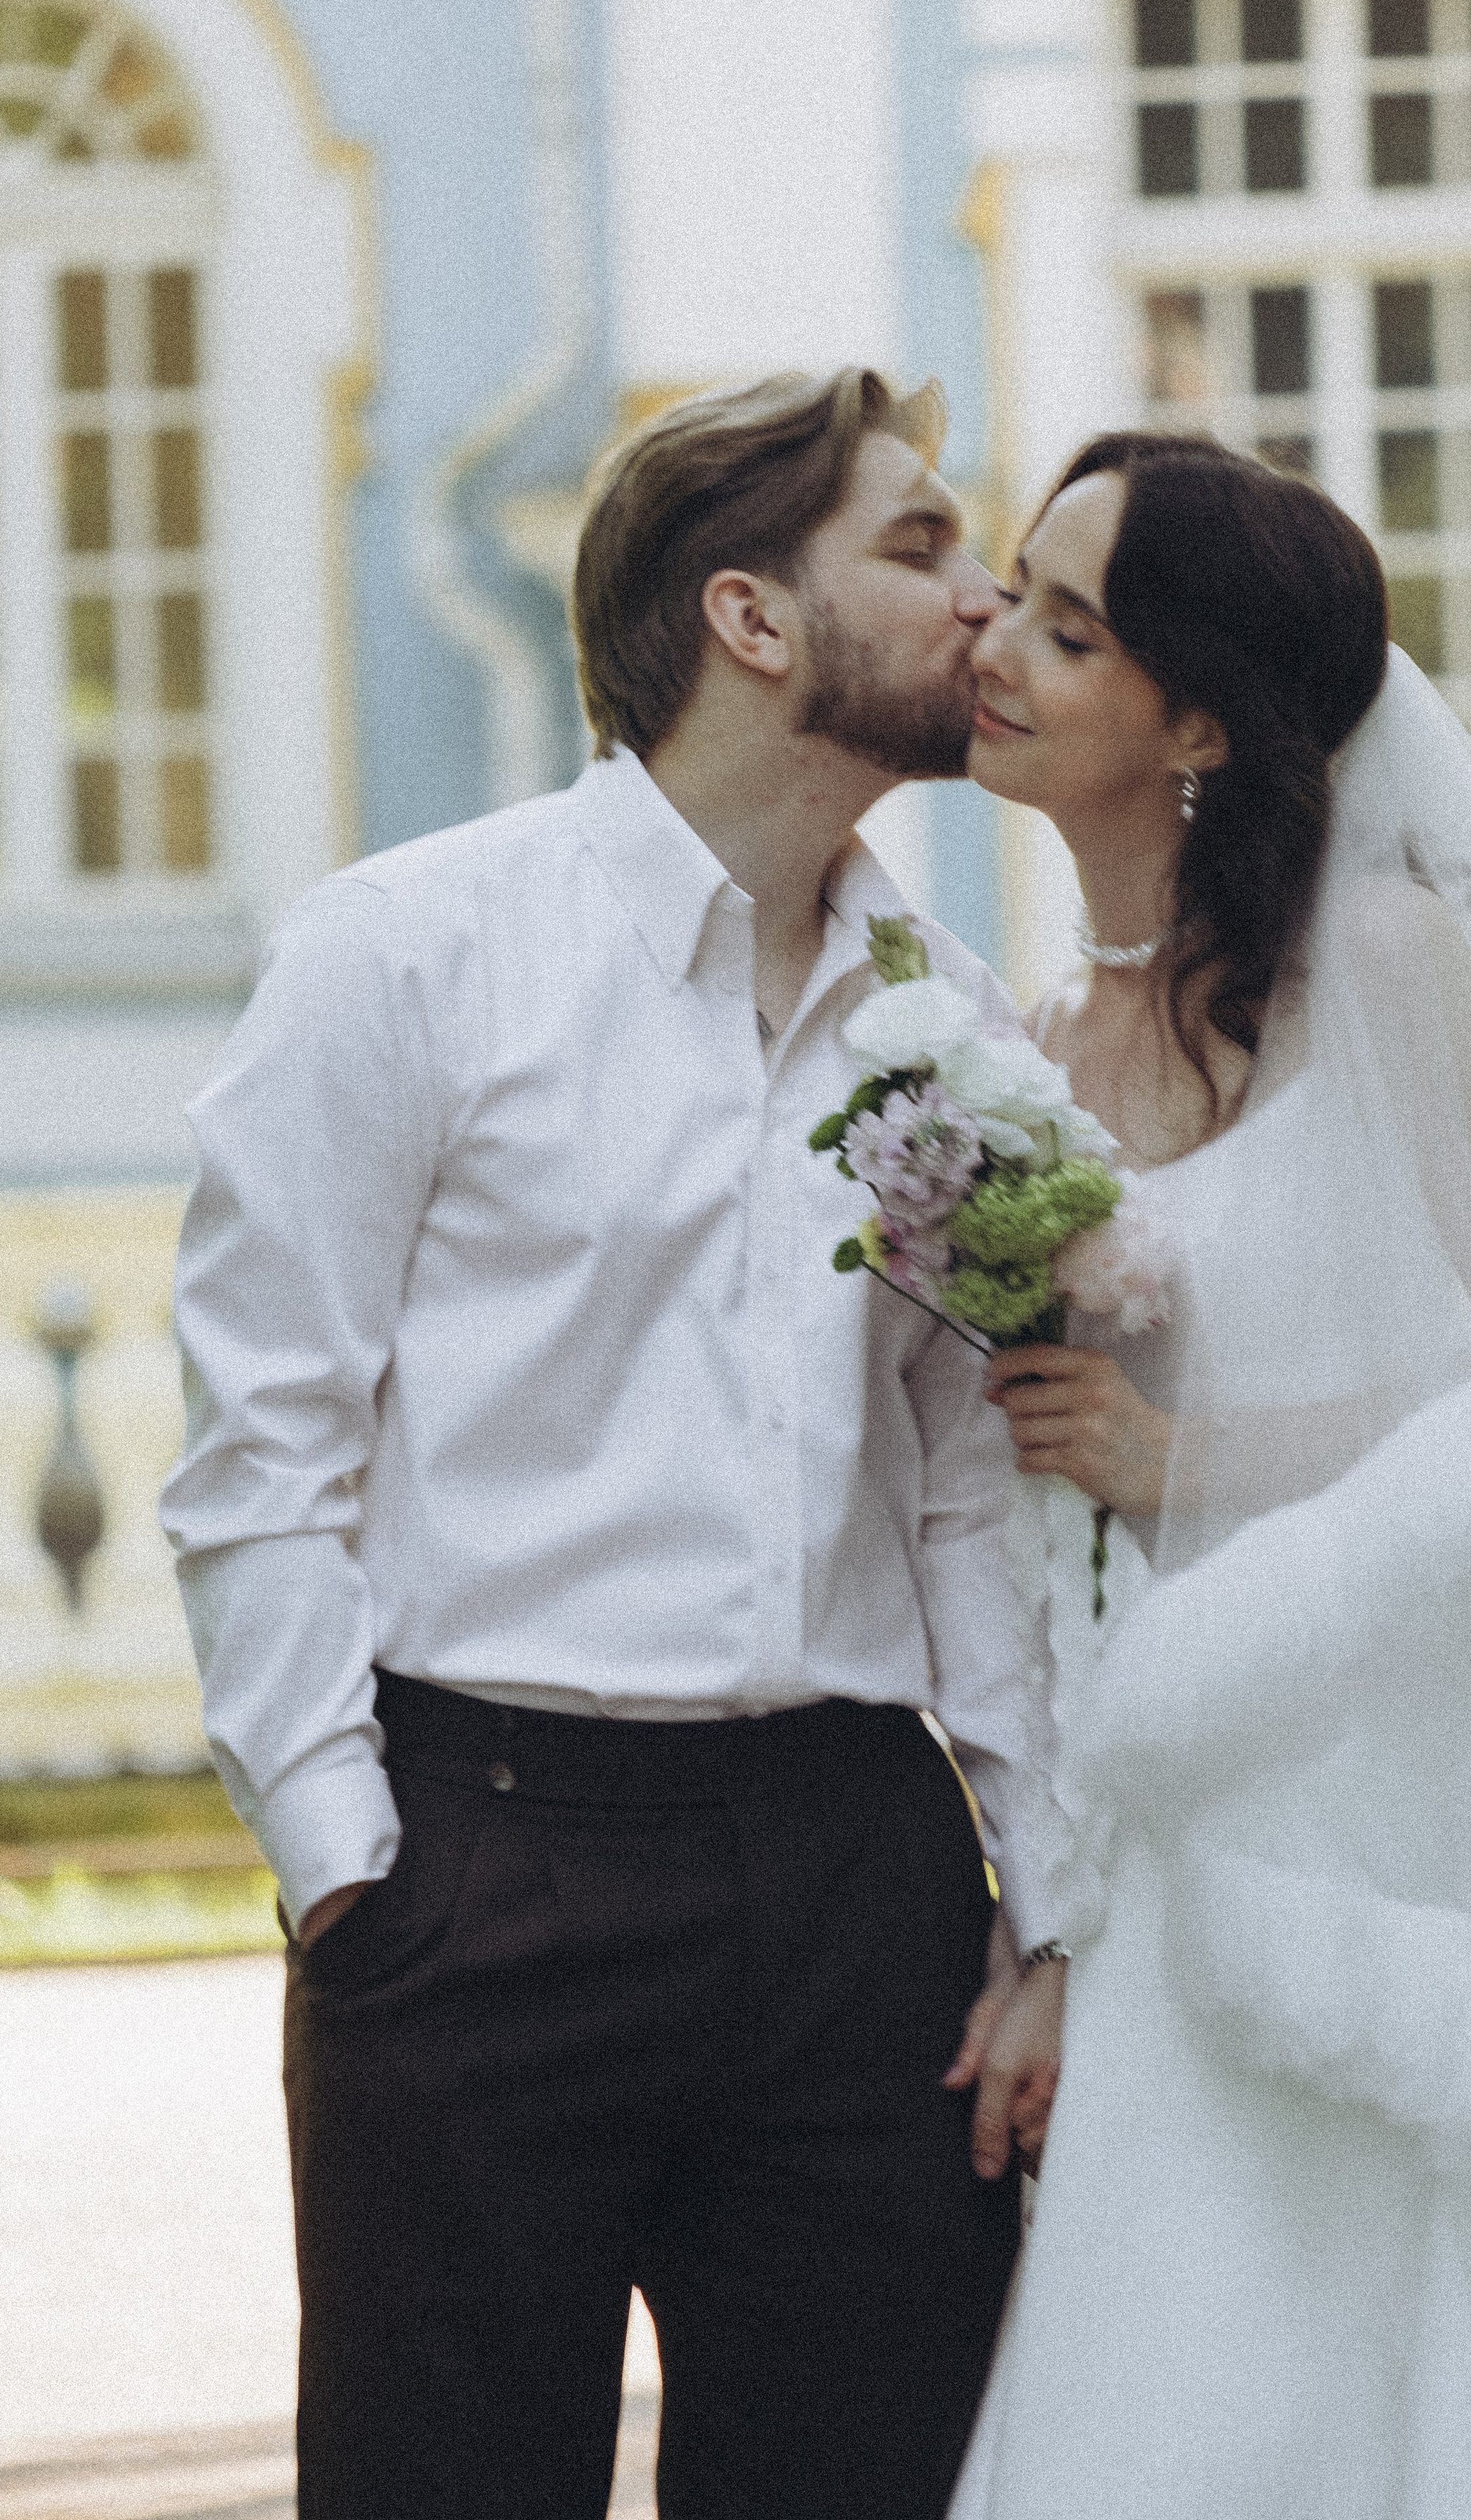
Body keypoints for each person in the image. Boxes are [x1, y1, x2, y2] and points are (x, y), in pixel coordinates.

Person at [160, 368, 1072, 2520]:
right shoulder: (404, 955)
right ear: (752, 619)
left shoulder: (955, 1016)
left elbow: (967, 1482)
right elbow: (262, 1443)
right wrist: (346, 1875)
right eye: (924, 545)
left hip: (862, 1896)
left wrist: (1049, 1902)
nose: (987, 598)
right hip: (483, 1868)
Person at [949, 432, 1471, 2518]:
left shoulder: (1379, 960)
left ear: (1193, 720)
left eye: (1064, 627)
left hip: (1429, 1789)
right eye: (1011, 592)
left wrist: (1204, 1455)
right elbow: (1042, 1550)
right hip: (1186, 1816)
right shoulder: (1017, 1058)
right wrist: (1058, 1924)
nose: (996, 646)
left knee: (1439, 2363)